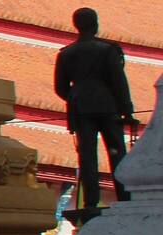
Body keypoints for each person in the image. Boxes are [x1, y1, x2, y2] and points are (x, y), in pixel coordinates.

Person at [56, 7, 139, 210]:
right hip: (108, 107)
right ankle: (125, 197)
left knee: (87, 156)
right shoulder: (108, 50)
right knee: (117, 153)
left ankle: (90, 201)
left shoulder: (67, 53)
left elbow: (60, 87)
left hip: (81, 109)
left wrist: (76, 97)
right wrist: (126, 110)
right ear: (96, 24)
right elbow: (119, 83)